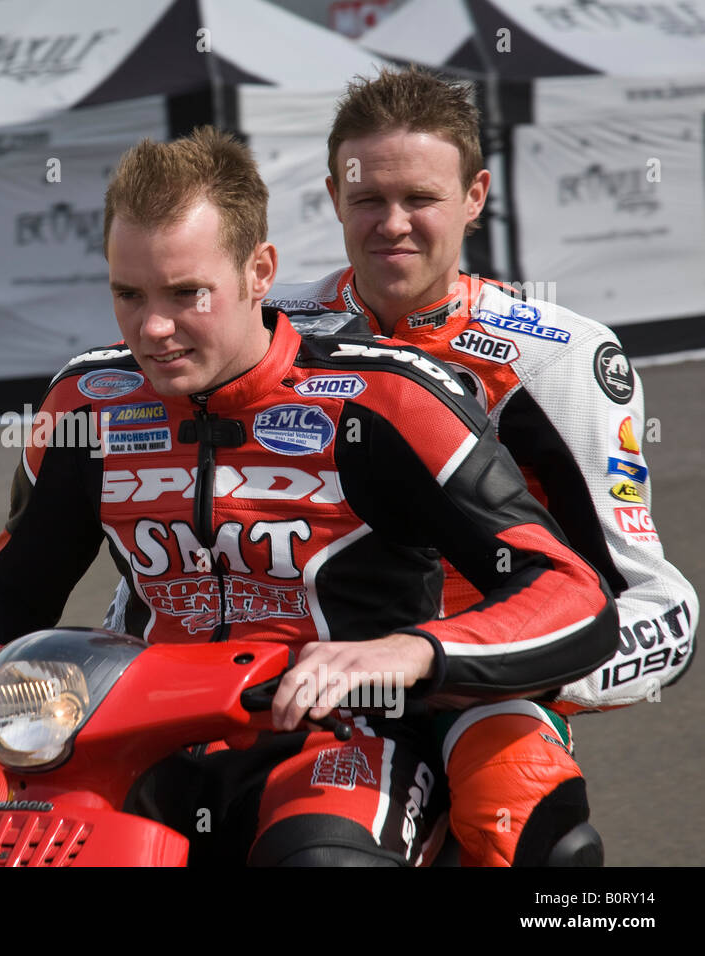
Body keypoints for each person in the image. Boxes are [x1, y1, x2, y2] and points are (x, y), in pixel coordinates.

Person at [0, 126, 617, 867]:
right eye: (129, 294)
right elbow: (13, 579)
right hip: (120, 740)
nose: (153, 328)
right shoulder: (86, 402)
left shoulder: (385, 399)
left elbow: (569, 593)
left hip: (341, 737)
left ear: (259, 271)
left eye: (185, 293)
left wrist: (409, 652)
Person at [253, 67, 698, 866]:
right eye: (367, 200)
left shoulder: (559, 355)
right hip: (294, 676)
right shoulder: (270, 334)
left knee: (528, 820)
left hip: (481, 687)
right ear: (331, 197)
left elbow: (663, 613)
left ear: (475, 195)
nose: (392, 224)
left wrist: (484, 667)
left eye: (419, 199)